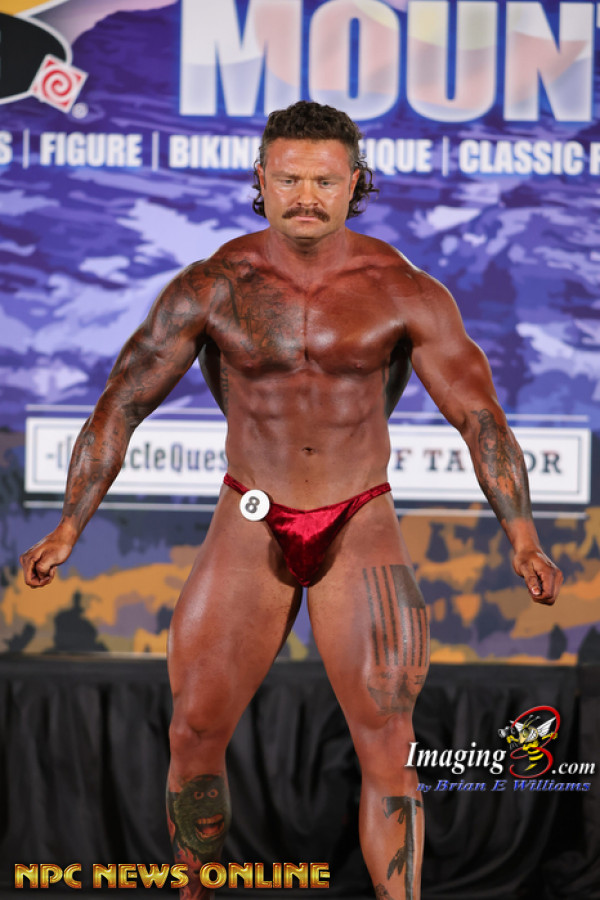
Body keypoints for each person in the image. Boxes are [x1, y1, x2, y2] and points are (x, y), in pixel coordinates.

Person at [20, 101, 562, 900]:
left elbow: (480, 418)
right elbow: (122, 401)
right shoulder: (212, 286)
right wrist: (70, 525)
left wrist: (522, 537)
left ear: (355, 184)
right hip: (251, 516)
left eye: (325, 181)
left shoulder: (404, 291)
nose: (306, 195)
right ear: (261, 179)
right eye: (289, 179)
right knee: (194, 729)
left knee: (390, 744)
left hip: (359, 518)